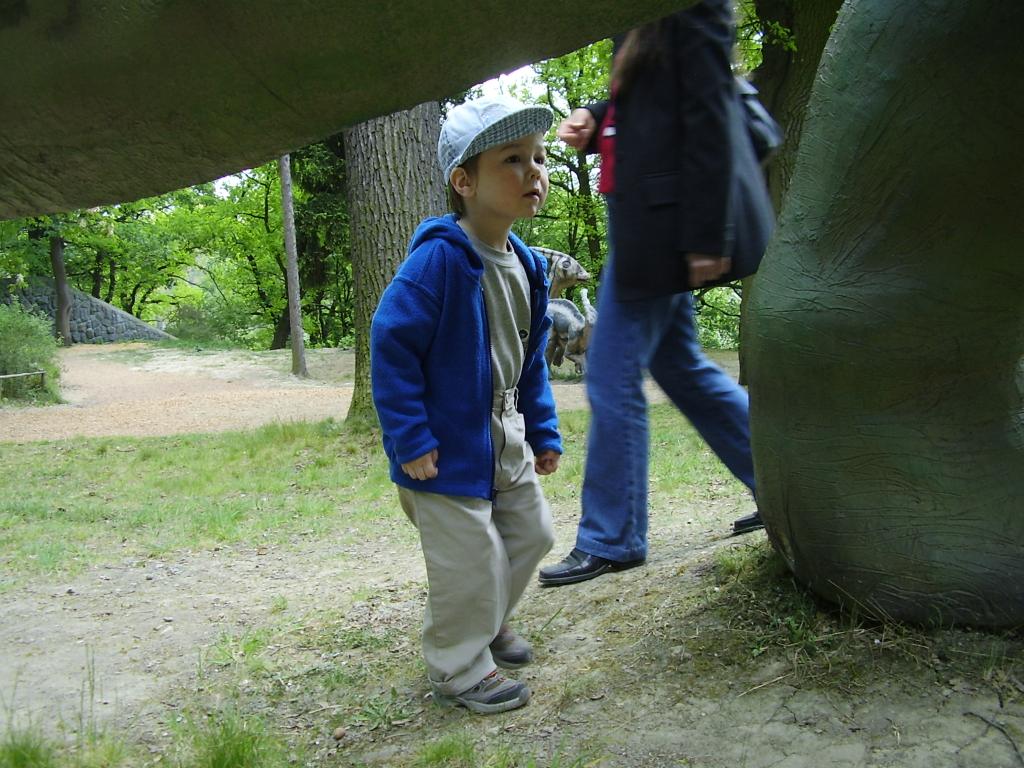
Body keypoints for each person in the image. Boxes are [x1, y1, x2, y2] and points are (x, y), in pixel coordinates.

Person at [539, 0, 771, 588]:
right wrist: (596, 118)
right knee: (682, 368)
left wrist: (707, 234)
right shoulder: (635, 17)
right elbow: (650, 108)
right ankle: (785, 485)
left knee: (610, 373)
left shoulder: (693, 8)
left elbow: (709, 109)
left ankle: (612, 536)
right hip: (642, 218)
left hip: (668, 226)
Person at [370, 96, 562, 713]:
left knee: (533, 533)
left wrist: (543, 429)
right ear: (464, 181)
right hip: (445, 445)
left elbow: (530, 358)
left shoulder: (528, 265)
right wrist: (410, 437)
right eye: (513, 159)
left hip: (506, 432)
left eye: (539, 157)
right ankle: (459, 669)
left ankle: (489, 620)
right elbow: (392, 345)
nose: (534, 171)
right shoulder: (439, 260)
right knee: (469, 562)